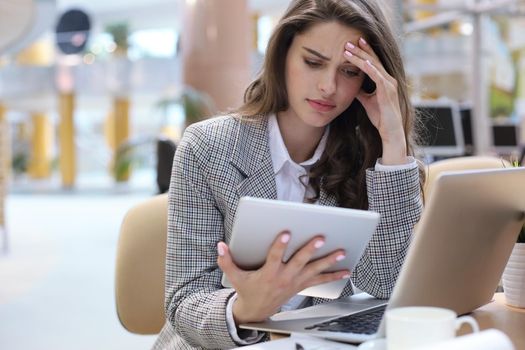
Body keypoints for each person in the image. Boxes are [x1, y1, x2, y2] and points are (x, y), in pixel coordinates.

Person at [153, 0, 424, 349]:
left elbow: (385, 285)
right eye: (313, 62)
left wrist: (392, 138)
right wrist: (244, 309)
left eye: (350, 71)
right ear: (282, 55)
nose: (329, 86)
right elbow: (183, 300)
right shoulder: (208, 148)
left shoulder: (369, 157)